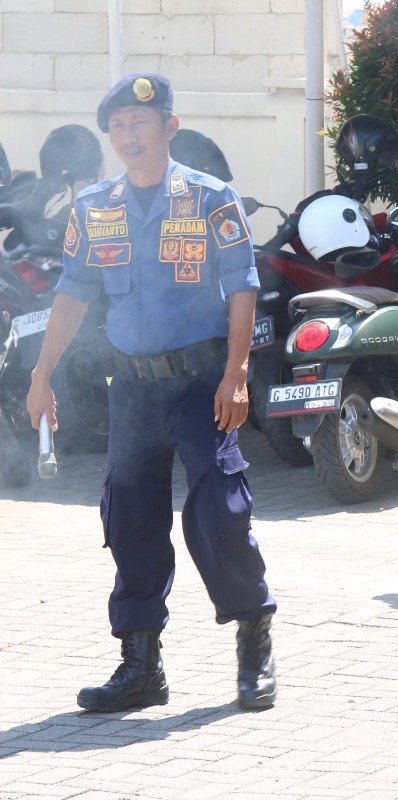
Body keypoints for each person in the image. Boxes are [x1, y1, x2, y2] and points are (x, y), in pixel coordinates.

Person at [26, 73, 277, 712]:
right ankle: (141, 667)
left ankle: (254, 643)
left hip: (202, 383)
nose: (129, 137)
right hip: (132, 389)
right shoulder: (95, 207)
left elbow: (241, 286)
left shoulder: (212, 198)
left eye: (142, 124)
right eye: (118, 127)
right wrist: (42, 373)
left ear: (169, 126)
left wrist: (237, 373)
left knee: (220, 512)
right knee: (130, 519)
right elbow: (73, 294)